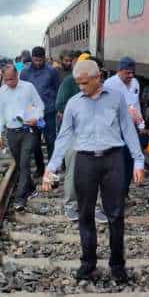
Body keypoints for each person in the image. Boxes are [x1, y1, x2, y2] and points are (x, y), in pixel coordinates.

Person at [42, 60, 145, 283]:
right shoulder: (73, 104)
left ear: (97, 78)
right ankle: (88, 264)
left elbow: (128, 129)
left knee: (116, 215)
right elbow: (64, 137)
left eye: (84, 83)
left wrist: (138, 160)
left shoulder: (116, 99)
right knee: (85, 214)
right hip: (85, 162)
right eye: (78, 83)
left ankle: (117, 265)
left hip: (113, 160)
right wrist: (51, 167)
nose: (81, 87)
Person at [55, 54, 108, 224]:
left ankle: (96, 207)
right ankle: (71, 205)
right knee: (73, 171)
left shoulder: (101, 86)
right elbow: (60, 105)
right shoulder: (70, 82)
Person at [0, 65, 44, 210]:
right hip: (11, 132)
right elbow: (0, 113)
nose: (10, 82)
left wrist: (37, 117)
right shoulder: (2, 91)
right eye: (6, 80)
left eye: (12, 79)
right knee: (19, 163)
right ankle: (29, 186)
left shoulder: (28, 87)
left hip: (28, 130)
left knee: (24, 163)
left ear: (17, 75)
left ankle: (20, 198)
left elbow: (40, 105)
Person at [104, 57, 149, 196]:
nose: (131, 76)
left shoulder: (135, 83)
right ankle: (115, 192)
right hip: (116, 129)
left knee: (131, 159)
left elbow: (136, 106)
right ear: (120, 71)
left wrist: (141, 125)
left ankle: (124, 192)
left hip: (131, 128)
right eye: (127, 73)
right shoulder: (109, 85)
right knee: (118, 161)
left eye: (132, 73)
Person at [20, 46, 61, 176]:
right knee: (35, 142)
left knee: (51, 141)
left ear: (45, 58)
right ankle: (40, 168)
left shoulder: (52, 72)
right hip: (33, 114)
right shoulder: (25, 73)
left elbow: (58, 89)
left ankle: (52, 169)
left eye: (40, 60)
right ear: (32, 58)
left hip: (48, 112)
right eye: (36, 60)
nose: (38, 63)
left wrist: (57, 108)